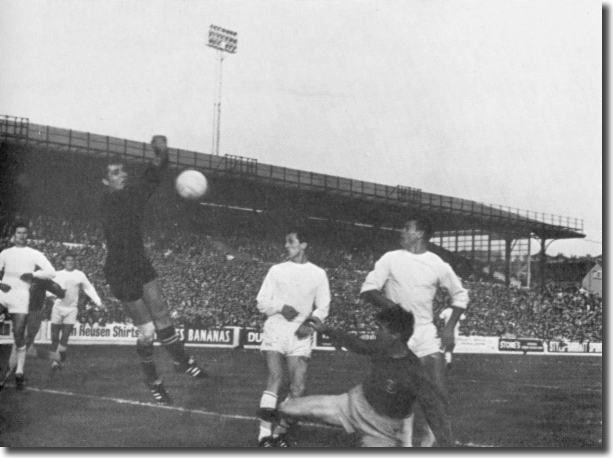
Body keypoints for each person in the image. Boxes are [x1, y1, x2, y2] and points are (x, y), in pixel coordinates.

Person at [101, 135, 206, 405]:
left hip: (139, 261)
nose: (122, 174)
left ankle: (182, 361)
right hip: (120, 271)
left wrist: (161, 154)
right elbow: (145, 184)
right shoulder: (110, 201)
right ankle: (153, 381)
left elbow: (150, 179)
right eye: (115, 173)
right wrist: (158, 160)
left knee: (162, 315)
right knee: (146, 331)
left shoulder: (129, 195)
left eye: (123, 170)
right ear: (105, 181)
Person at [258, 307, 453, 447]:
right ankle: (278, 440)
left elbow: (436, 412)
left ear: (395, 334)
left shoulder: (413, 371)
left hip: (382, 430)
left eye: (380, 329)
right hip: (351, 405)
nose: (376, 332)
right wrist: (326, 329)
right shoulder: (381, 349)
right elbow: (356, 344)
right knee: (287, 407)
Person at [360, 216, 468, 446]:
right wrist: (394, 309)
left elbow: (460, 296)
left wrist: (449, 329)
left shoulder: (437, 264)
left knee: (438, 396)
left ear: (419, 234)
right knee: (394, 397)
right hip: (398, 339)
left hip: (426, 336)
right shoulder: (390, 258)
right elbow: (368, 289)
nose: (401, 231)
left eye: (406, 228)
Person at [255, 229, 330, 447]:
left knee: (299, 388)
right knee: (276, 377)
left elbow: (323, 305)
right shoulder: (276, 270)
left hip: (300, 334)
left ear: (304, 245)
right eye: (286, 242)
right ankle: (264, 435)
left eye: (291, 242)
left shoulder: (318, 273)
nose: (286, 245)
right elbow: (261, 301)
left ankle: (279, 432)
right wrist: (280, 307)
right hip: (276, 329)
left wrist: (310, 323)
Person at [0, 222, 56, 390]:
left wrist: (33, 274)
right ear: (14, 234)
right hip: (3, 293)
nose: (22, 236)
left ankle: (19, 372)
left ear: (27, 235)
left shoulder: (34, 254)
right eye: (19, 233)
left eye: (25, 233)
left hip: (21, 297)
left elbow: (51, 271)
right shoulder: (5, 253)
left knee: (18, 334)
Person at [48, 252, 103, 369]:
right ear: (63, 262)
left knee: (65, 336)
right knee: (54, 336)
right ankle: (55, 361)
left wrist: (98, 302)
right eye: (67, 260)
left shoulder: (80, 275)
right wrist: (52, 297)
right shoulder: (57, 274)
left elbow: (89, 289)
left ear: (75, 262)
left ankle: (61, 353)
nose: (70, 262)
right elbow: (48, 288)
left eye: (72, 260)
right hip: (57, 308)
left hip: (71, 309)